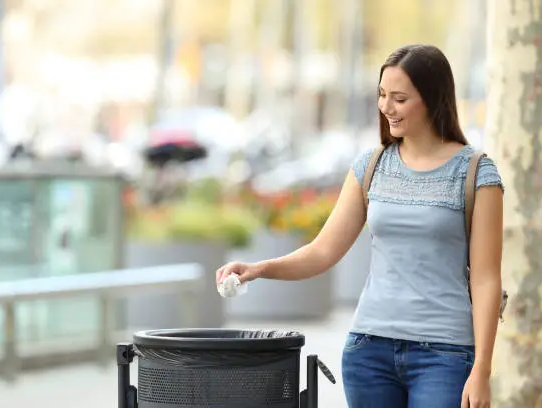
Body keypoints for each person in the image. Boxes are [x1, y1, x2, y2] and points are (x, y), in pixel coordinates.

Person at [216, 44, 503, 408]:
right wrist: (259, 269)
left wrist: (481, 368)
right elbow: (323, 251)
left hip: (445, 356)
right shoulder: (370, 166)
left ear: (432, 99)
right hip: (369, 351)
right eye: (382, 95)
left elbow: (486, 278)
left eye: (399, 98)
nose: (386, 107)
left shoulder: (477, 173)